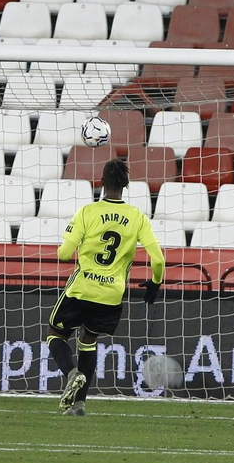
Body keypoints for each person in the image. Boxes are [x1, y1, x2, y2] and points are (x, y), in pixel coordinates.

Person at [50, 158, 165, 416]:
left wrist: (70, 244)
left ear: (101, 183)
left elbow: (64, 254)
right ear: (125, 185)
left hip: (83, 287)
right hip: (112, 293)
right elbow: (158, 259)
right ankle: (79, 404)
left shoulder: (87, 212)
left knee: (54, 335)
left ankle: (71, 374)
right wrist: (154, 285)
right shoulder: (137, 217)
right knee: (88, 341)